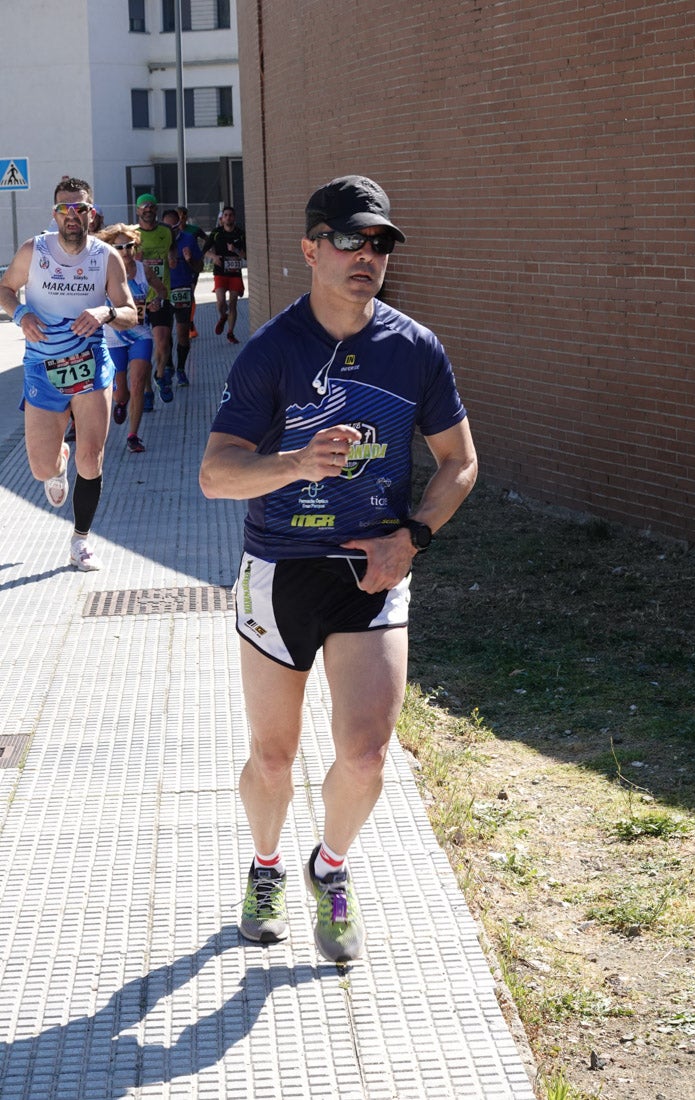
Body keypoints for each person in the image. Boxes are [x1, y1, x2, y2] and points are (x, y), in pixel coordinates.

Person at [199, 175, 478, 963]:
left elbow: (459, 462)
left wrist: (412, 538)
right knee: (273, 756)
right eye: (351, 240)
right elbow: (216, 475)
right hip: (280, 569)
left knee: (364, 754)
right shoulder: (272, 351)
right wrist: (291, 463)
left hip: (373, 569)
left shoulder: (413, 348)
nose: (368, 255)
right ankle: (264, 867)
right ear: (311, 249)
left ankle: (331, 867)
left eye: (380, 242)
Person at [0, 177, 136, 569]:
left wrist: (105, 312)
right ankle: (57, 460)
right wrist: (21, 313)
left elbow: (130, 312)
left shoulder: (106, 256)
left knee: (91, 459)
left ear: (91, 214)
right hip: (43, 369)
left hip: (91, 367)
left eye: (80, 209)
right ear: (55, 214)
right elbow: (5, 289)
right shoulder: (35, 250)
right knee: (42, 468)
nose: (72, 215)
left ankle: (81, 540)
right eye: (65, 209)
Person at [97, 223, 167, 453]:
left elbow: (161, 289)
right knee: (121, 391)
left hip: (140, 334)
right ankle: (120, 401)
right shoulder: (103, 273)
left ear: (135, 246)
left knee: (137, 383)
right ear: (111, 250)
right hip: (113, 336)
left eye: (128, 246)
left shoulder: (143, 269)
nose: (125, 252)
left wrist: (157, 301)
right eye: (119, 248)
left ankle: (133, 435)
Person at [135, 193, 177, 403]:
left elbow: (172, 250)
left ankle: (160, 375)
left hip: (161, 295)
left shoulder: (166, 231)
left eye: (151, 206)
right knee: (144, 347)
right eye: (144, 207)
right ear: (137, 211)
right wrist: (135, 259)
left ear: (156, 209)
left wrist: (172, 258)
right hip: (138, 299)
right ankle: (147, 391)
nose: (148, 210)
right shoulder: (132, 235)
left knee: (162, 342)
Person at [161, 209, 203, 386]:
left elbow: (199, 267)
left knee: (182, 333)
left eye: (174, 226)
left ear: (180, 224)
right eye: (166, 226)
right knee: (164, 334)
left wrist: (189, 260)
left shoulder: (188, 239)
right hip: (162, 290)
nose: (171, 230)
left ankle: (181, 369)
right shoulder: (158, 240)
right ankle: (169, 365)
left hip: (182, 289)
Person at [204, 206, 246, 343]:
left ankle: (230, 332)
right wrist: (214, 257)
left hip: (234, 273)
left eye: (231, 215)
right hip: (220, 272)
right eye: (226, 215)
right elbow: (204, 250)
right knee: (221, 301)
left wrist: (236, 250)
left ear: (234, 217)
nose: (228, 217)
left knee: (233, 303)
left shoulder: (240, 233)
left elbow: (246, 255)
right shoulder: (216, 233)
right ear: (222, 218)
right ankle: (223, 316)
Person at [176, 207, 208, 338]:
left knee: (190, 292)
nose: (181, 218)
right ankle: (186, 321)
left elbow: (208, 239)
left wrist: (201, 254)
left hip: (192, 266)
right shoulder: (171, 232)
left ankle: (190, 322)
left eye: (184, 216)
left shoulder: (193, 230)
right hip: (178, 268)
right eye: (179, 216)